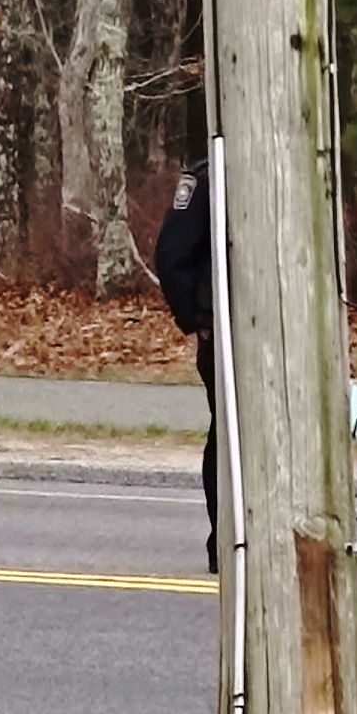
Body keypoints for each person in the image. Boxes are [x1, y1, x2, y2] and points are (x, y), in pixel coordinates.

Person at [154, 159, 220, 574]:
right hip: (225, 336)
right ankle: (227, 540)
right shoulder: (209, 174)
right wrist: (199, 319)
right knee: (232, 436)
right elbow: (172, 254)